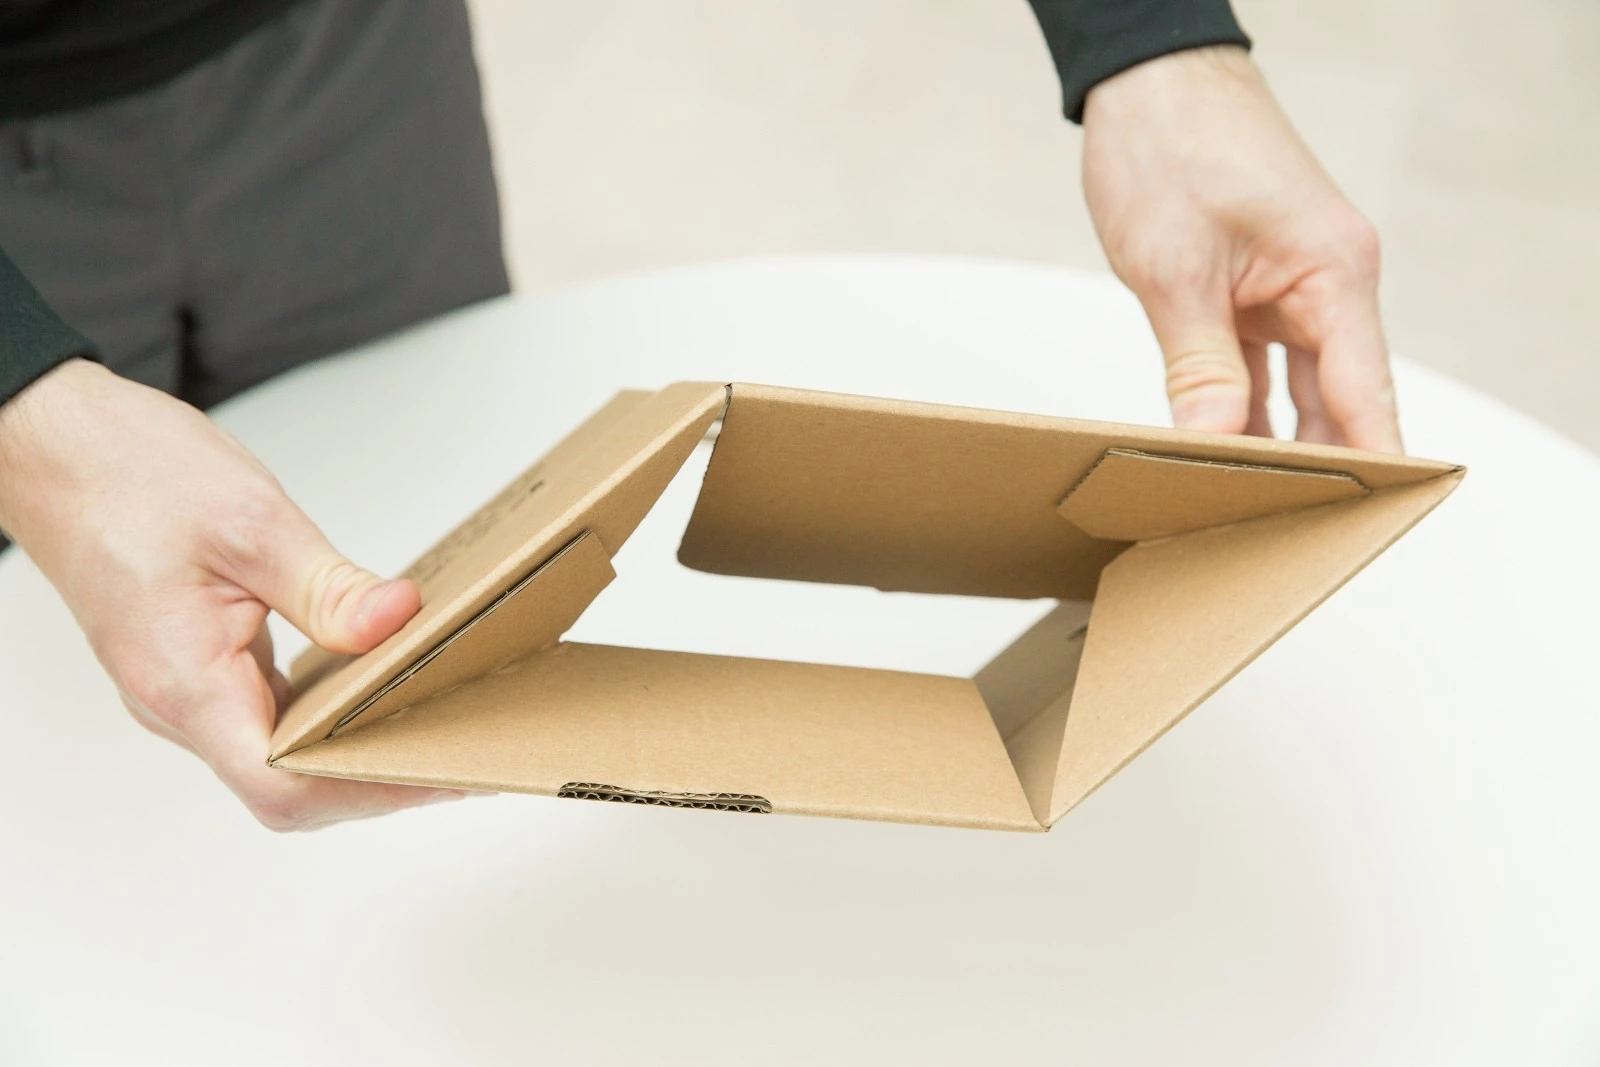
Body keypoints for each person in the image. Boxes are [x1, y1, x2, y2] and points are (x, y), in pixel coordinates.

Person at [0, 0, 1401, 831]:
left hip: (344, 52)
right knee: (61, 723)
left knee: (424, 500)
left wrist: (1152, 45)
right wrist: (24, 408)